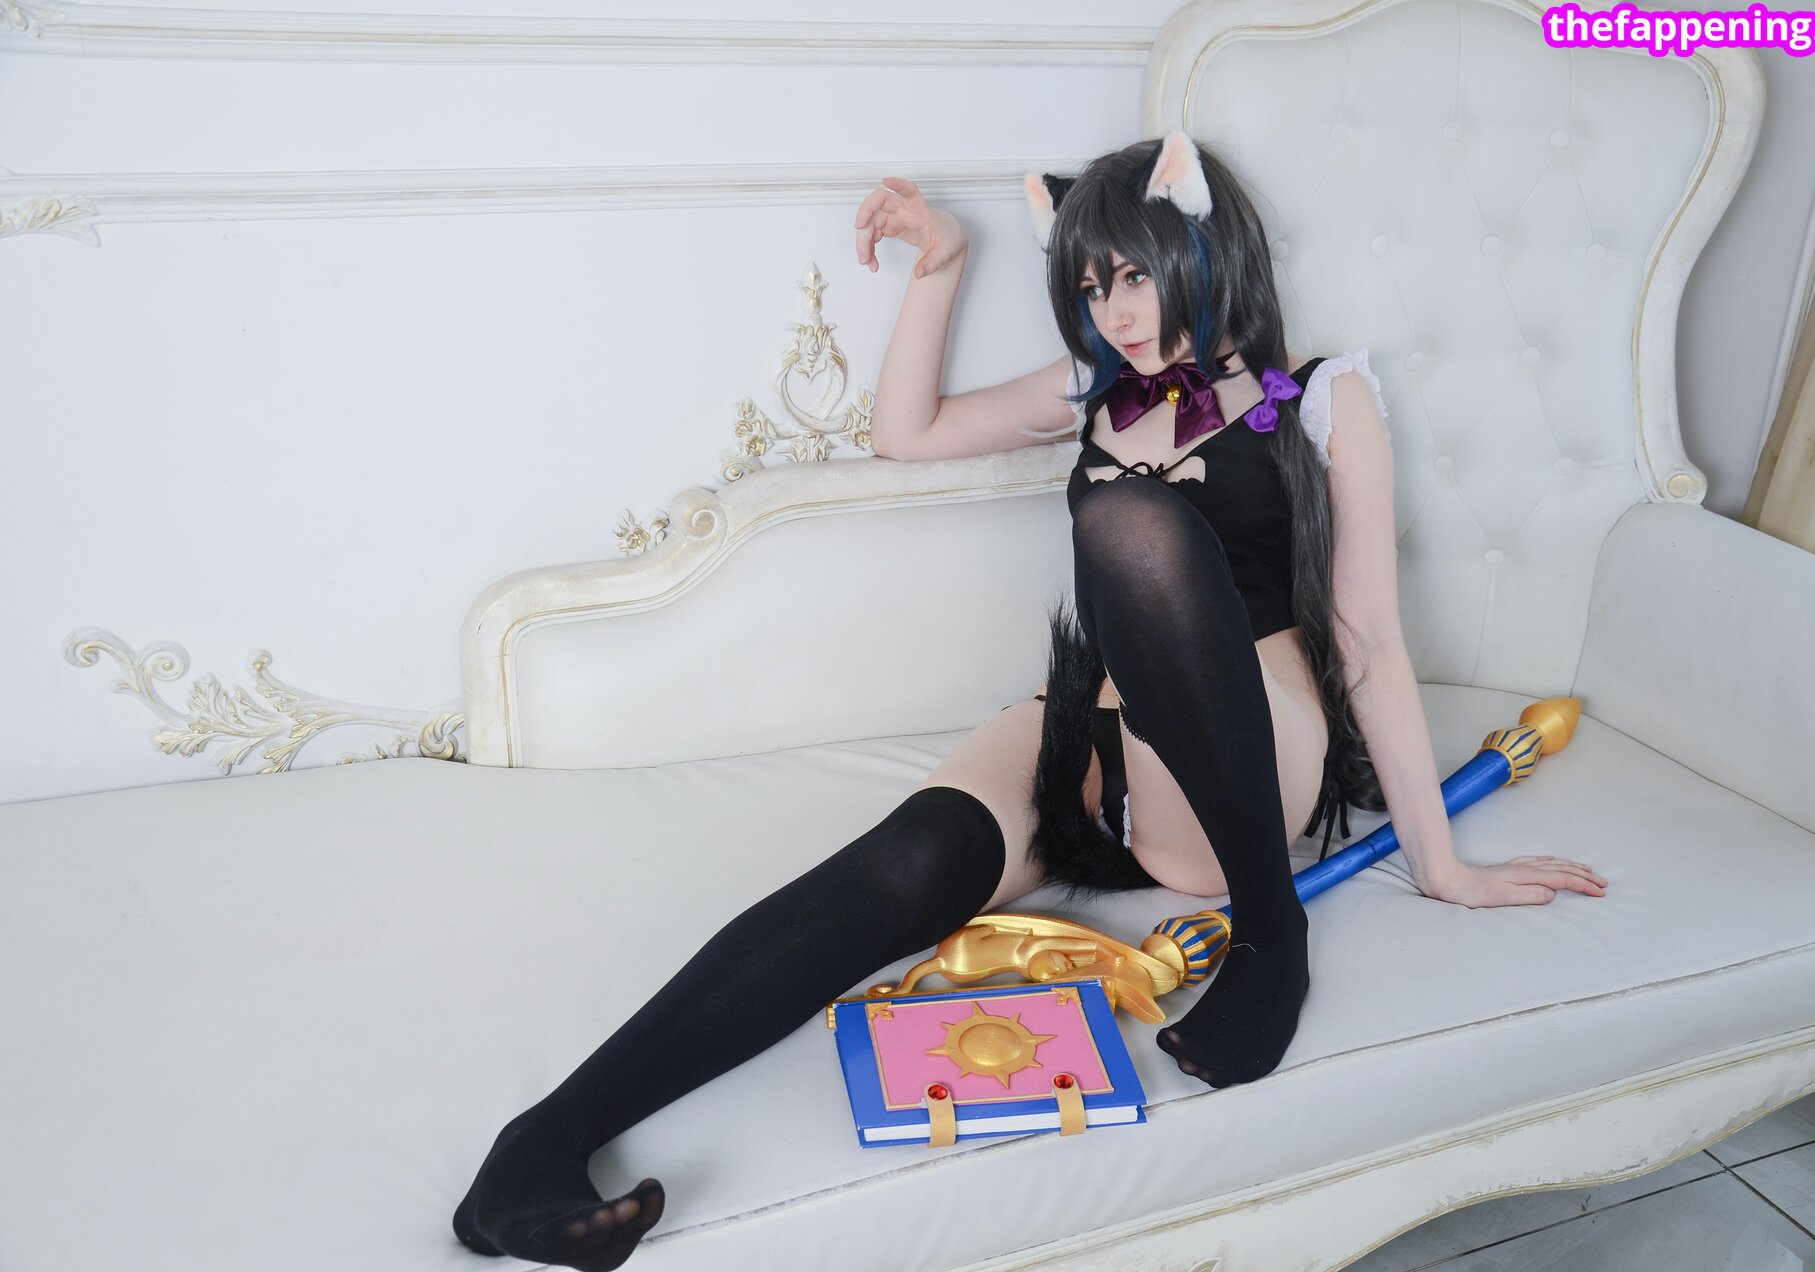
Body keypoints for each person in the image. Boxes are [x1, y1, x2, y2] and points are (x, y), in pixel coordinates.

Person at [449, 131, 1609, 1272]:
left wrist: (1441, 863)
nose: (1116, 311)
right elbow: (907, 435)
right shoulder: (1094, 390)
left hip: (1254, 748)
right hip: (1099, 730)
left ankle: (1274, 931)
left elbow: (1369, 644)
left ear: (1202, 247)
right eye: (1093, 287)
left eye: (1135, 275)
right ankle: (539, 1148)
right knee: (906, 862)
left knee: (1129, 522)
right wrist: (943, 263)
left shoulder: (1319, 394)